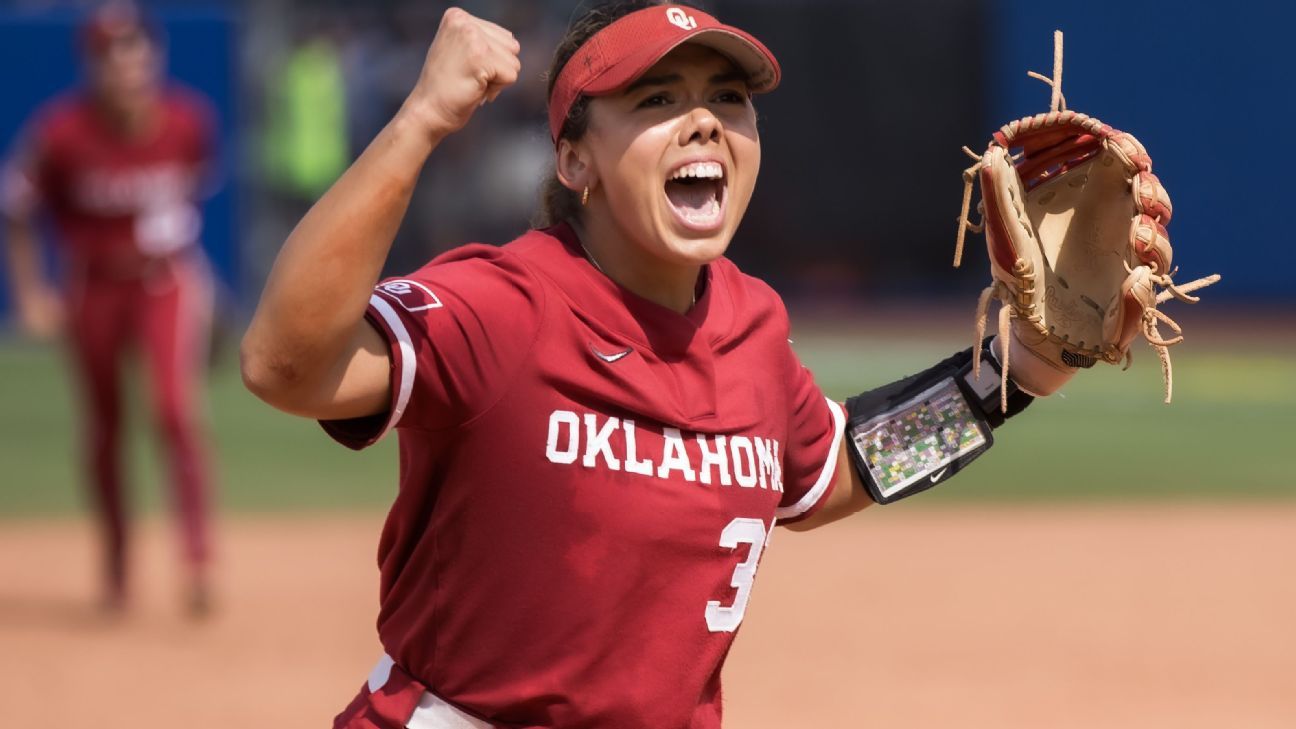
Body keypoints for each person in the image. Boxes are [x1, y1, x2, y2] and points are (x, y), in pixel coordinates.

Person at [241, 2, 1051, 726]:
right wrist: (420, 120)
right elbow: (285, 366)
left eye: (726, 99)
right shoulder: (507, 304)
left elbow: (834, 465)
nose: (702, 122)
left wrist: (1020, 370)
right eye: (656, 100)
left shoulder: (751, 323)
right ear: (574, 161)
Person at [1, 2, 219, 615]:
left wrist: (199, 275)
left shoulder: (186, 121)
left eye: (136, 55)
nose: (127, 70)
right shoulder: (61, 133)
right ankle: (118, 562)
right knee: (105, 429)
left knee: (175, 413)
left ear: (154, 58)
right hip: (92, 288)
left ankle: (198, 559)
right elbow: (15, 207)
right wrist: (28, 292)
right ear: (91, 66)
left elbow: (192, 197)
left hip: (163, 283)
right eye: (111, 59)